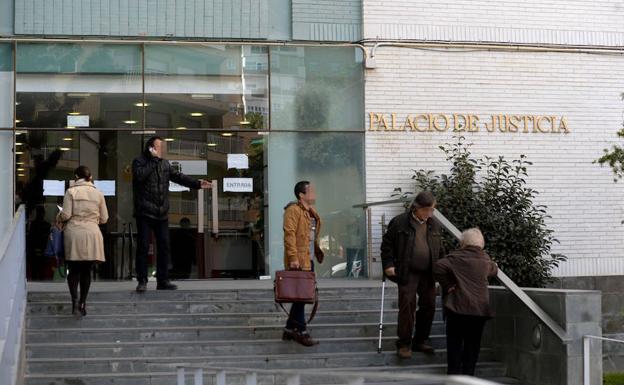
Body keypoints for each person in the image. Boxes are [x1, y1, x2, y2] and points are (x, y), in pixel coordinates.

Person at [132, 136, 212, 292]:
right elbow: (140, 176)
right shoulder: (139, 162)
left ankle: (163, 280)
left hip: (161, 213)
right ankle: (142, 281)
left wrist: (197, 184)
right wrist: (153, 160)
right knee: (142, 247)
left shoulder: (165, 164)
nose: (162, 150)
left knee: (164, 247)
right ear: (151, 148)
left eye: (162, 147)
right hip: (145, 212)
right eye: (159, 147)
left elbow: (179, 177)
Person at [380, 191, 444, 359]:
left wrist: (443, 269)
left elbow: (440, 249)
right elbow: (386, 246)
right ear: (417, 208)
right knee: (407, 306)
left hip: (428, 273)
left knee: (429, 306)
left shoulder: (434, 224)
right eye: (427, 210)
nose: (430, 213)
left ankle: (421, 340)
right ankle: (404, 343)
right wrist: (388, 265)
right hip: (407, 272)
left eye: (432, 210)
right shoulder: (400, 222)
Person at [433, 228, 498, 376]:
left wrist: (448, 285)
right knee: (473, 345)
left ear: (463, 243)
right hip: (479, 309)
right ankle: (468, 376)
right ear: (481, 244)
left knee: (454, 343)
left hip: (457, 307)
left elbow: (438, 267)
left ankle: (453, 375)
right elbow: (493, 271)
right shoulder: (485, 260)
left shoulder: (454, 258)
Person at [57, 166, 109, 318]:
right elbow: (105, 218)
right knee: (86, 271)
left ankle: (74, 302)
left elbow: (66, 214)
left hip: (74, 233)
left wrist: (59, 217)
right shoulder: (99, 193)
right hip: (93, 233)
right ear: (90, 177)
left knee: (73, 270)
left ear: (75, 176)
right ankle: (83, 303)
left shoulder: (71, 191)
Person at [282, 181, 324, 346]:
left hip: (308, 260)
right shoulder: (293, 210)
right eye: (311, 190)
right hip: (298, 261)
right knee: (301, 297)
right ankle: (301, 331)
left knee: (301, 297)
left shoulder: (310, 211)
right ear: (301, 194)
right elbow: (289, 234)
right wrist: (293, 257)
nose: (314, 192)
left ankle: (288, 330)